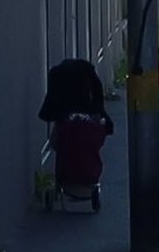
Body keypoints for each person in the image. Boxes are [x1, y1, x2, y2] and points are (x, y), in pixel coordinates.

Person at [37, 53, 112, 211]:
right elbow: (99, 107)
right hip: (88, 131)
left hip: (66, 158)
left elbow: (54, 137)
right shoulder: (91, 115)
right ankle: (88, 184)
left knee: (62, 142)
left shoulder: (58, 79)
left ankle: (62, 184)